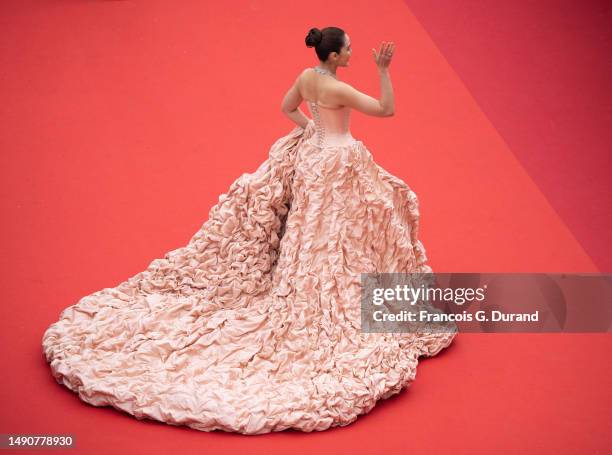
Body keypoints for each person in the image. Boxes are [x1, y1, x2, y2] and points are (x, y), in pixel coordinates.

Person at [42, 26, 457, 435]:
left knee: (314, 231)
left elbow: (287, 107)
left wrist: (309, 129)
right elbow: (386, 110)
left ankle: (319, 276)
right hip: (339, 162)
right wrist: (384, 70)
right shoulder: (339, 90)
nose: (353, 53)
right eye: (348, 49)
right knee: (336, 234)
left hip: (314, 159)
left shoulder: (306, 78)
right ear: (333, 57)